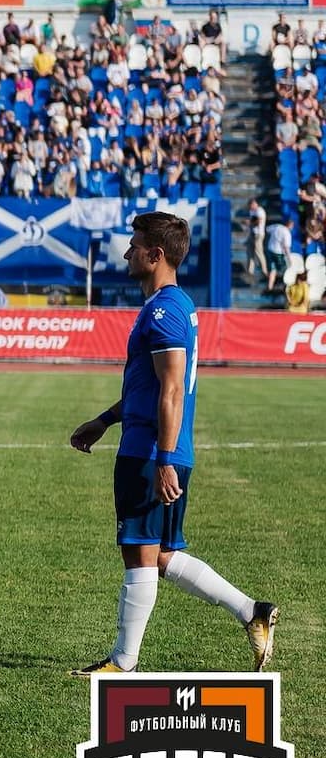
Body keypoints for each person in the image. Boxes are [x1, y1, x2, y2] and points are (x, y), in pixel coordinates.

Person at [67, 212, 277, 676]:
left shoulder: (163, 310)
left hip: (151, 451)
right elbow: (148, 389)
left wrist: (162, 459)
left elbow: (172, 389)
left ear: (155, 255)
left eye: (134, 245)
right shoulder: (172, 306)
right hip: (159, 448)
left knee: (139, 551)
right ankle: (251, 611)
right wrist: (104, 420)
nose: (127, 253)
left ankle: (123, 664)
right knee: (160, 554)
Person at [266, 216, 293, 295]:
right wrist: (289, 258)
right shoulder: (287, 233)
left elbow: (267, 229)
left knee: (273, 269)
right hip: (278, 253)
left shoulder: (277, 226)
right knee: (284, 269)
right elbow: (286, 247)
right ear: (290, 225)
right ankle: (284, 286)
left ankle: (270, 286)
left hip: (270, 250)